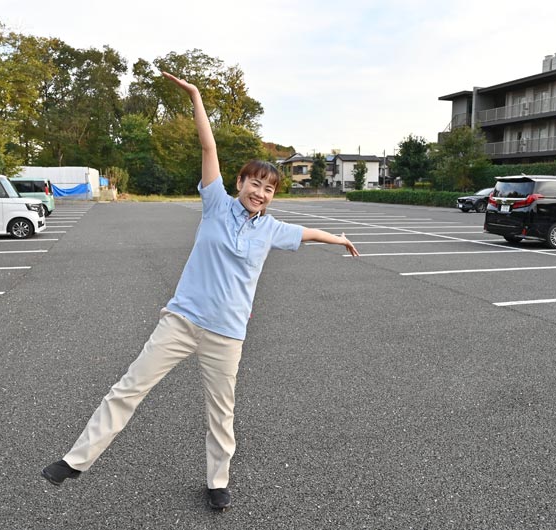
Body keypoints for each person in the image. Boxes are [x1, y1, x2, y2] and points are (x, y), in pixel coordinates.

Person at [41, 71, 360, 511]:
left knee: (221, 414)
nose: (261, 192)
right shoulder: (215, 205)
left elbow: (308, 232)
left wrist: (339, 238)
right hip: (182, 320)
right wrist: (195, 97)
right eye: (255, 183)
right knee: (128, 389)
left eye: (269, 188)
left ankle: (217, 481)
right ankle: (75, 461)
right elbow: (208, 147)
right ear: (240, 184)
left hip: (226, 334)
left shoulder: (271, 229)